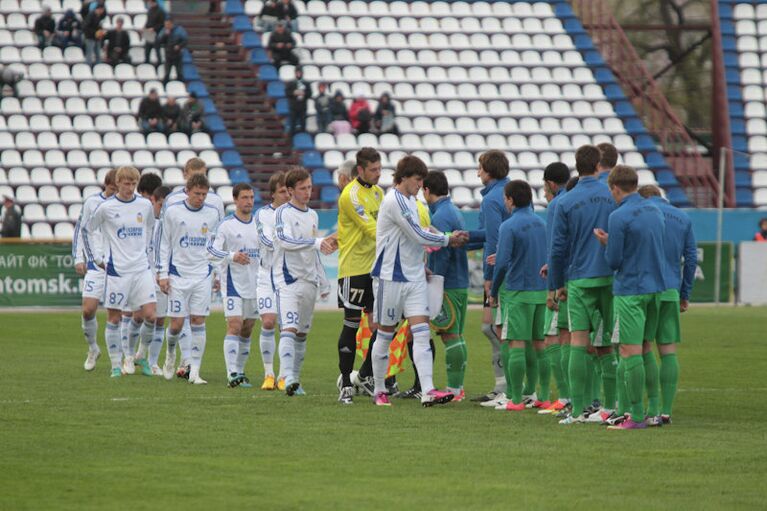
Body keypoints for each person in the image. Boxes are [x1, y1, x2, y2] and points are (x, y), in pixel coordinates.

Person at [369, 155, 466, 407]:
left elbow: (413, 238)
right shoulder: (394, 200)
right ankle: (379, 389)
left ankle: (428, 390)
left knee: (421, 333)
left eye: (422, 180)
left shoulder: (411, 201)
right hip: (390, 278)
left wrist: (421, 263)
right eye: (417, 179)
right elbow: (416, 233)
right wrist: (447, 239)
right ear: (403, 178)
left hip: (413, 278)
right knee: (385, 335)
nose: (420, 185)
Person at [593, 165, 667, 430]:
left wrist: (606, 243)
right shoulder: (655, 210)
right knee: (647, 348)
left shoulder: (619, 215)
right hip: (656, 287)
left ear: (614, 187)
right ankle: (655, 410)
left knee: (629, 350)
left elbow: (614, 260)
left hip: (631, 289)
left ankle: (635, 416)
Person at [549, 145, 618, 425]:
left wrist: (556, 285)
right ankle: (611, 407)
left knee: (578, 341)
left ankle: (577, 411)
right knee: (609, 345)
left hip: (578, 278)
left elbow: (557, 248)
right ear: (599, 164)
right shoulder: (613, 195)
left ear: (576, 166)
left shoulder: (565, 201)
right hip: (611, 277)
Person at [82, 166, 156, 378]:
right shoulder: (106, 207)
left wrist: (147, 251)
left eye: (133, 184)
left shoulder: (144, 205)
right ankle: (116, 364)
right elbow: (87, 229)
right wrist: (96, 257)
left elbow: (150, 228)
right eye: (126, 183)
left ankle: (141, 355)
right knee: (114, 318)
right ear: (118, 183)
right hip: (117, 271)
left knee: (151, 315)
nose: (130, 188)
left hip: (141, 268)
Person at [636, 184, 697, 426]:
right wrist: (685, 293)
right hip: (671, 289)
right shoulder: (682, 217)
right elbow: (691, 258)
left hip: (644, 289)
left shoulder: (640, 214)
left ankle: (651, 406)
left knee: (643, 346)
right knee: (668, 350)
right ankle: (666, 410)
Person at [160, 158, 225, 377]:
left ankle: (194, 371)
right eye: (197, 194)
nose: (200, 198)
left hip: (203, 274)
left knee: (198, 321)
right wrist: (162, 273)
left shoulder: (213, 213)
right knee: (177, 324)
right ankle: (170, 352)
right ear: (187, 191)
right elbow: (164, 243)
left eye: (204, 194)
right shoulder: (173, 210)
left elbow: (217, 245)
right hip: (178, 273)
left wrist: (217, 272)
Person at [272, 168, 334, 396]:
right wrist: (317, 242)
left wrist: (323, 280)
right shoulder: (283, 213)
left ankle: (295, 378)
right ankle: (287, 377)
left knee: (301, 333)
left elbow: (313, 252)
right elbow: (285, 241)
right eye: (302, 188)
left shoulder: (313, 215)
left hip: (309, 281)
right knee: (288, 328)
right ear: (290, 191)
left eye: (309, 187)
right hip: (288, 279)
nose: (308, 192)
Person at [490, 180, 548, 411]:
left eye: (505, 198)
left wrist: (494, 291)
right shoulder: (541, 223)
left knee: (515, 344)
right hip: (540, 291)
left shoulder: (509, 226)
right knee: (539, 345)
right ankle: (539, 394)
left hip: (517, 291)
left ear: (511, 200)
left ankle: (515, 400)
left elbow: (502, 263)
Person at [335, 148, 383, 404]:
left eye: (379, 169)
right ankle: (345, 382)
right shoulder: (350, 195)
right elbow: (373, 229)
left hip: (375, 269)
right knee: (351, 324)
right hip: (354, 268)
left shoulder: (378, 193)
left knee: (384, 325)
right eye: (373, 170)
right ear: (361, 170)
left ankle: (363, 374)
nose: (378, 174)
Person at [466, 150, 511, 404]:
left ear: (490, 170)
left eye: (480, 167)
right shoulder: (505, 192)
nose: (477, 172)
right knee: (495, 328)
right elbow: (488, 234)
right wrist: (463, 239)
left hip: (500, 273)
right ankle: (505, 386)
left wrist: (490, 276)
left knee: (495, 328)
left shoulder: (492, 199)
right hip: (512, 269)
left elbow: (494, 239)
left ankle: (507, 387)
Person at [423, 171, 470, 401]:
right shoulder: (454, 212)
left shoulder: (440, 216)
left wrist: (435, 280)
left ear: (427, 191)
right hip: (459, 281)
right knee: (457, 334)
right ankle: (457, 387)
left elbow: (440, 254)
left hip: (448, 283)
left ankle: (454, 389)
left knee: (450, 336)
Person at [208, 184, 260, 388]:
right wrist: (232, 256)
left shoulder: (260, 225)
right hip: (233, 284)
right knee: (235, 325)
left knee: (248, 328)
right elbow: (211, 251)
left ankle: (240, 371)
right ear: (236, 200)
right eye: (245, 197)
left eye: (251, 197)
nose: (249, 201)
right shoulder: (226, 225)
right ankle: (232, 373)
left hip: (255, 283)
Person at [537, 162, 573, 415]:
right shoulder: (576, 200)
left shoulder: (558, 205)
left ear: (550, 184)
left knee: (556, 338)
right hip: (584, 276)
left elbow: (555, 248)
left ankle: (567, 397)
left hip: (566, 282)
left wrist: (552, 288)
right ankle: (587, 398)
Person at [72, 171, 117, 370]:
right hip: (95, 263)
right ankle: (93, 348)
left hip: (117, 264)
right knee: (88, 309)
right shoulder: (92, 203)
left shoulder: (126, 206)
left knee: (117, 313)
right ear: (106, 185)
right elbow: (81, 230)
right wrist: (79, 258)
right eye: (113, 188)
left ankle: (121, 359)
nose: (116, 192)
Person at [254, 172, 291, 390]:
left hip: (289, 278)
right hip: (267, 276)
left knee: (287, 327)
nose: (286, 195)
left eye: (288, 190)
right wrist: (288, 242)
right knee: (268, 322)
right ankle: (269, 374)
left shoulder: (296, 214)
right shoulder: (263, 215)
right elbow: (266, 240)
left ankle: (286, 376)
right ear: (273, 194)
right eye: (282, 191)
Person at [144, 185, 171, 376]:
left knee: (160, 320)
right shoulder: (145, 223)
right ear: (154, 201)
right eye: (161, 205)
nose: (164, 210)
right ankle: (129, 356)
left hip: (161, 277)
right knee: (137, 317)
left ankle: (152, 362)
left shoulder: (170, 226)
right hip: (142, 275)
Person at [157, 18, 188, 84]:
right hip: (168, 54)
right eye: (165, 25)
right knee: (167, 73)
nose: (166, 26)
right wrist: (165, 35)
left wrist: (179, 46)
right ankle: (165, 87)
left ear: (171, 24)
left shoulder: (179, 30)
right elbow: (159, 41)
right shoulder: (164, 30)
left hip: (177, 54)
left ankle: (181, 86)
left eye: (167, 24)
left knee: (179, 73)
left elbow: (185, 40)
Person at [286, 67, 310, 134]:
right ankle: (292, 139)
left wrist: (304, 93)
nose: (299, 74)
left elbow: (310, 93)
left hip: (303, 106)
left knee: (303, 123)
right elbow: (287, 93)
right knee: (292, 124)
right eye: (297, 72)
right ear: (295, 73)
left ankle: (302, 138)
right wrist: (294, 93)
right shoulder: (291, 83)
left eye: (300, 72)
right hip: (293, 107)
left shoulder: (306, 83)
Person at [143, 0, 166, 65]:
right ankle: (146, 62)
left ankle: (159, 63)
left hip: (156, 33)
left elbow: (162, 24)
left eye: (151, 3)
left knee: (157, 49)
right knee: (147, 49)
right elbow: (148, 20)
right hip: (148, 32)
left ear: (154, 2)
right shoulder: (150, 10)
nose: (149, 4)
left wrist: (154, 28)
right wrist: (144, 27)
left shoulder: (161, 11)